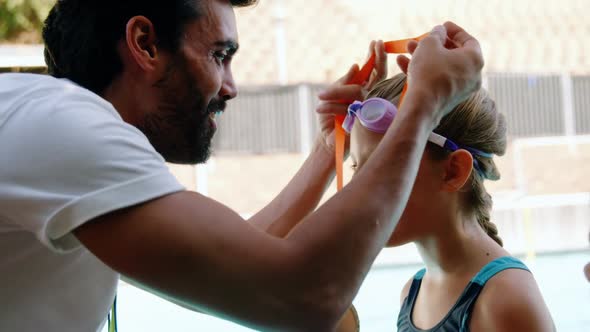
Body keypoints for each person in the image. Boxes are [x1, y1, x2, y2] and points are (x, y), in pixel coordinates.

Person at [0, 0, 486, 330]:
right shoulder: (67, 127)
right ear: (145, 44)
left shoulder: (57, 132)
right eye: (220, 55)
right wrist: (426, 102)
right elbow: (302, 295)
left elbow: (245, 256)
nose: (230, 86)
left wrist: (326, 149)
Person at [346, 73, 556, 331]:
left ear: (453, 171)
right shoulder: (412, 293)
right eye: (356, 166)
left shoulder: (505, 299)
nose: (356, 188)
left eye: (383, 166)